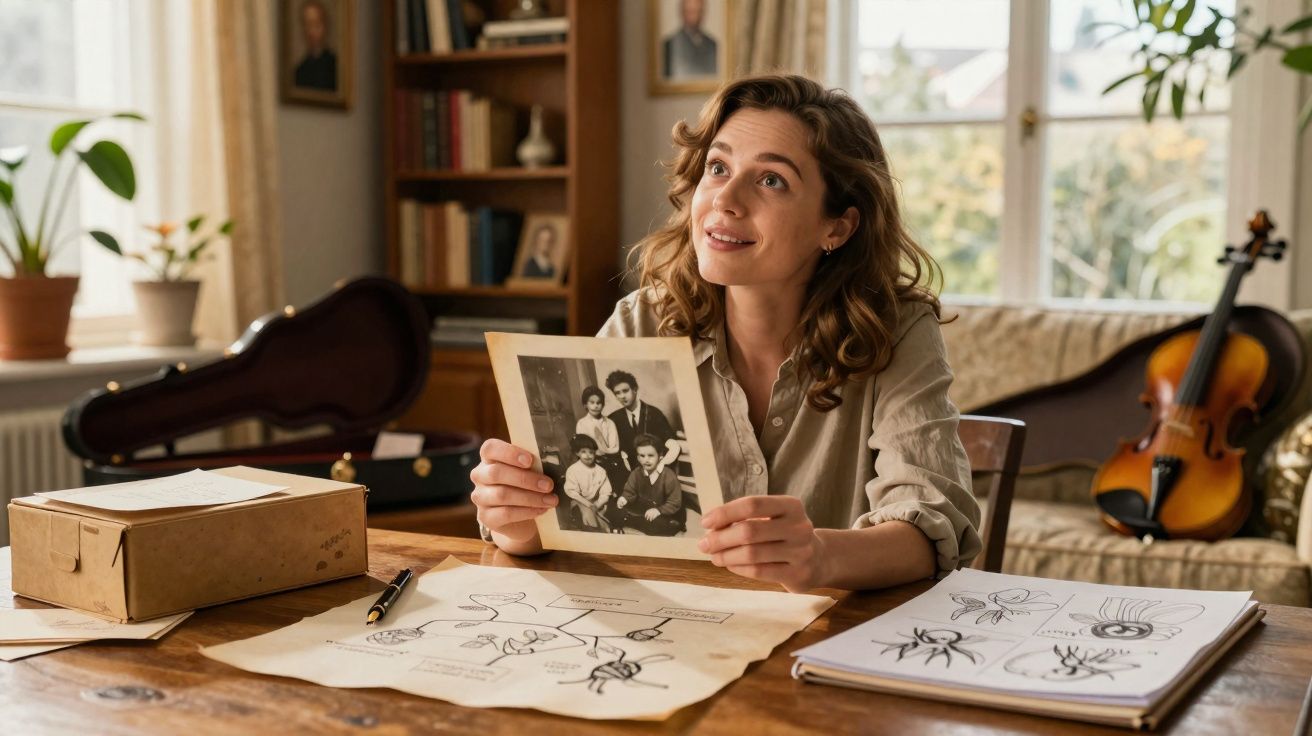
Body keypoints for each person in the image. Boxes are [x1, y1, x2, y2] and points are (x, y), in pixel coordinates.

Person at [470, 74, 982, 593]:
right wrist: (517, 520)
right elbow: (552, 525)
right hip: (668, 630)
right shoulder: (640, 321)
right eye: (718, 168)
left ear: (837, 227)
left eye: (771, 180)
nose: (726, 200)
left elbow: (931, 530)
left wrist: (821, 556)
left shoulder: (897, 330)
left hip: (832, 633)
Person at [604, 369, 681, 475]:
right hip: (629, 477)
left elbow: (671, 444)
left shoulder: (654, 414)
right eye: (617, 393)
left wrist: (660, 466)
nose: (622, 396)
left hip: (655, 473)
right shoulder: (613, 419)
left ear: (635, 389)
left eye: (625, 391)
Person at [613, 434, 685, 536]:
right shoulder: (636, 473)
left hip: (666, 511)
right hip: (646, 508)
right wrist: (624, 498)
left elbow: (674, 502)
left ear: (660, 456)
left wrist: (659, 510)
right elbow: (630, 491)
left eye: (651, 455)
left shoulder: (668, 476)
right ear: (638, 458)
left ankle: (638, 523)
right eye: (642, 456)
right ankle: (634, 521)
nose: (646, 460)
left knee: (660, 525)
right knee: (614, 507)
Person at [575, 385, 627, 491]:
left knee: (618, 485)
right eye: (592, 402)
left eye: (598, 403)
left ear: (603, 405)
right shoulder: (582, 424)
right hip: (591, 461)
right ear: (585, 404)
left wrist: (603, 451)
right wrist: (597, 452)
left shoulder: (609, 423)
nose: (595, 406)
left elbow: (615, 448)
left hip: (611, 461)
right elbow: (582, 447)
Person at [562, 434, 612, 532]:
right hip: (579, 502)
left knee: (608, 521)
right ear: (577, 453)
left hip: (597, 503)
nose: (588, 455)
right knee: (589, 516)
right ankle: (593, 531)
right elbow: (572, 492)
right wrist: (589, 505)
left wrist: (597, 504)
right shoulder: (573, 470)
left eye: (591, 452)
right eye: (583, 452)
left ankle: (604, 529)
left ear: (595, 453)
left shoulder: (601, 471)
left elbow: (606, 492)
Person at [663, 0, 718, 79]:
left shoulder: (713, 45)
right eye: (691, 12)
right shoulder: (669, 45)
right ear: (682, 13)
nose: (695, 17)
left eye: (699, 11)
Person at [294, 0, 337, 92]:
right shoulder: (300, 70)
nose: (311, 31)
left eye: (316, 24)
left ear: (325, 26)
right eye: (307, 25)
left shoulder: (335, 66)